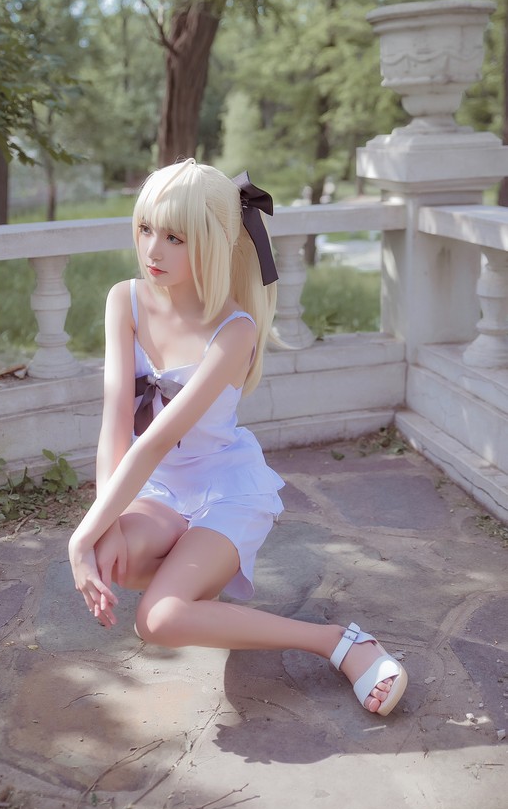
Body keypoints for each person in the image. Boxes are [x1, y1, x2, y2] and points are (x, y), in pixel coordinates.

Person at [68, 158, 408, 716]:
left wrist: (79, 540)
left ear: (212, 243)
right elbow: (115, 427)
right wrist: (101, 528)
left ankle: (341, 643)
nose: (153, 250)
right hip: (160, 491)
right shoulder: (123, 300)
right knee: (117, 558)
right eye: (146, 229)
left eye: (175, 237)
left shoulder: (235, 330)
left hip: (224, 491)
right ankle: (193, 576)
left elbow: (153, 441)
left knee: (158, 620)